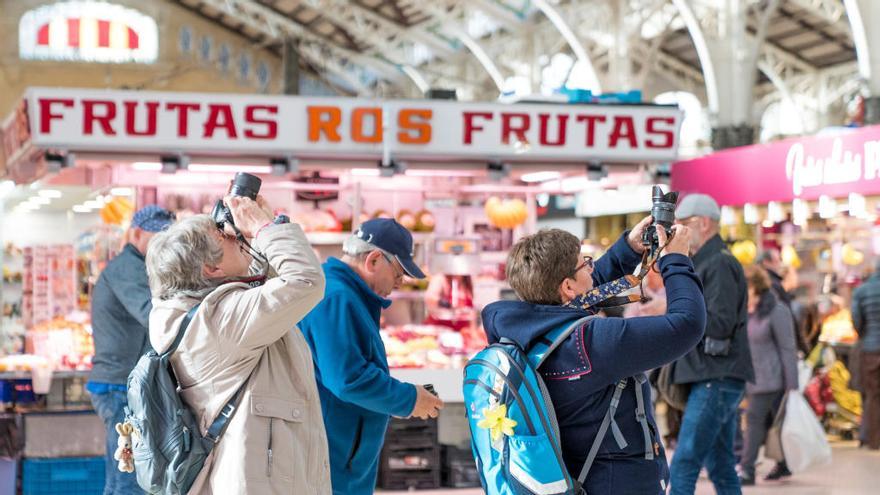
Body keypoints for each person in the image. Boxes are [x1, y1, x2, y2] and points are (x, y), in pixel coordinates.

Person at [481, 218, 706, 494]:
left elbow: (578, 291)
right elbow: (687, 325)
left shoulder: (519, 332)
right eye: (585, 264)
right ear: (566, 286)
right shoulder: (594, 342)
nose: (592, 268)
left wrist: (629, 249)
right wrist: (677, 260)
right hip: (616, 482)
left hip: (570, 476)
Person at [145, 195, 331, 493]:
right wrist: (262, 227)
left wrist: (267, 227)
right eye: (225, 237)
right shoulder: (219, 321)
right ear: (211, 268)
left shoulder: (191, 312)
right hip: (258, 479)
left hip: (250, 471)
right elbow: (305, 280)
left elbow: (266, 284)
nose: (235, 236)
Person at [299, 219, 444, 495]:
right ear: (374, 260)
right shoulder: (336, 297)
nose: (401, 282)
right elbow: (348, 378)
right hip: (334, 455)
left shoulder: (345, 293)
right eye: (399, 273)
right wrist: (409, 399)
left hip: (343, 452)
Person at [669, 194, 754, 495]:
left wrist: (676, 314)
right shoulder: (712, 260)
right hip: (716, 375)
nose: (676, 232)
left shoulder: (717, 263)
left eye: (683, 225)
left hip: (714, 376)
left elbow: (719, 322)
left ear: (703, 224)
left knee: (683, 464)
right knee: (720, 465)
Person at [87, 205, 174, 495]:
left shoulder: (141, 266)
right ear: (136, 234)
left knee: (122, 477)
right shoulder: (128, 268)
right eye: (157, 238)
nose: (163, 246)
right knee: (130, 478)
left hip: (122, 383)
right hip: (118, 387)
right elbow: (152, 315)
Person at [739, 266, 798, 485]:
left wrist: (792, 384)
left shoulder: (776, 310)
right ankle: (783, 464)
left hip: (773, 379)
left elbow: (787, 347)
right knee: (774, 424)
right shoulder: (748, 310)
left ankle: (747, 469)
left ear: (755, 286)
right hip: (753, 378)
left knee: (754, 420)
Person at [851, 259, 880, 450]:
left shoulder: (862, 291)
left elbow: (856, 319)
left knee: (873, 396)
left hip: (871, 349)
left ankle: (875, 440)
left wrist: (865, 335)